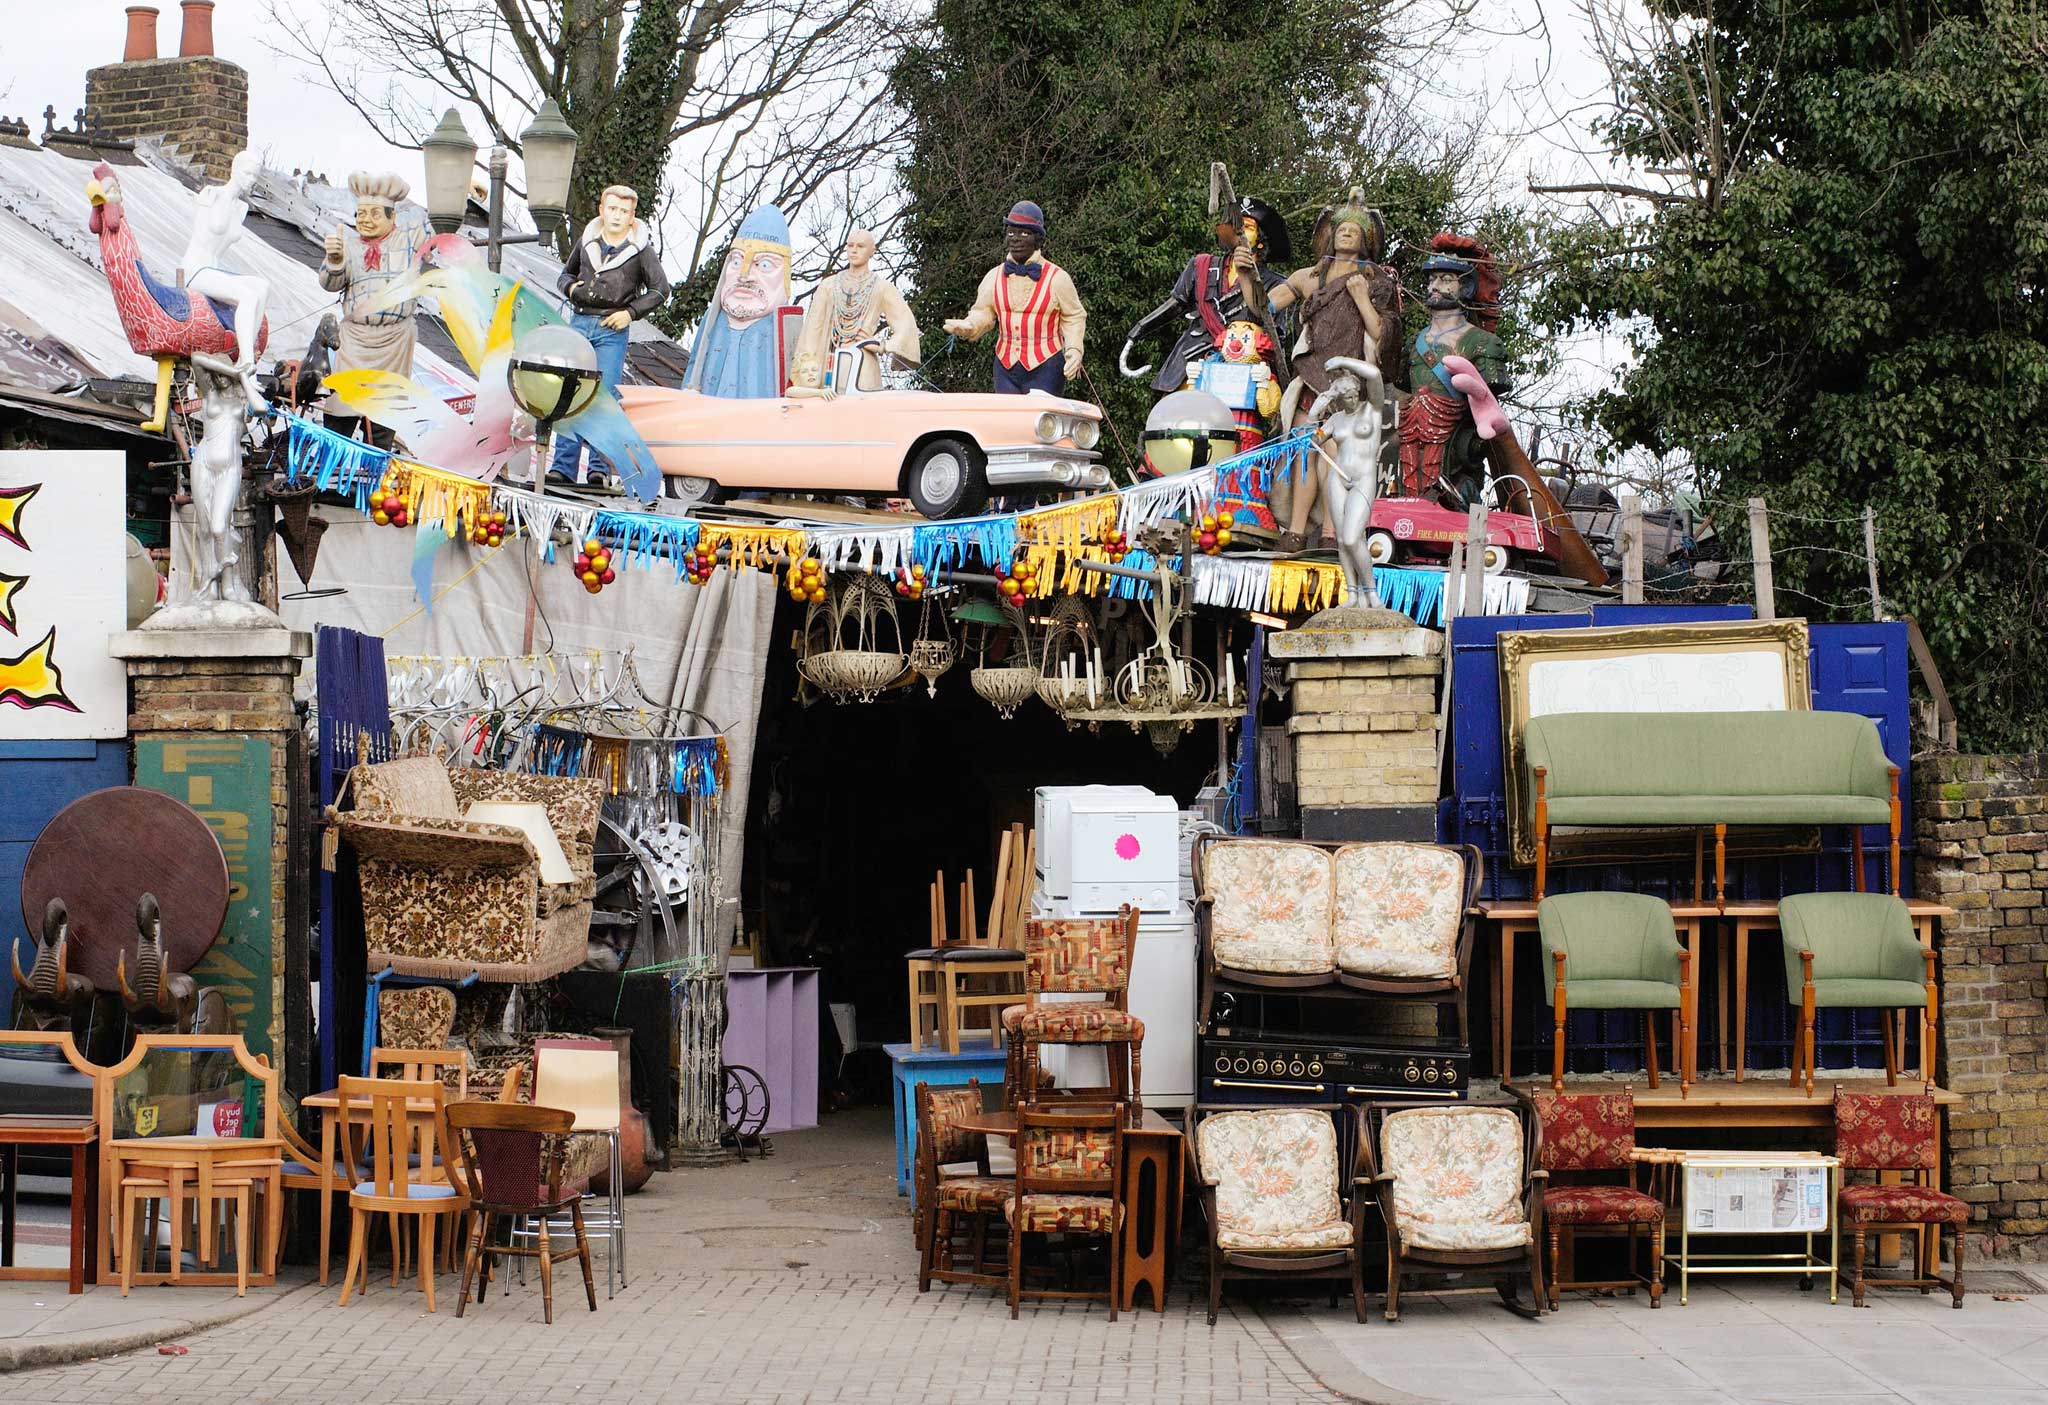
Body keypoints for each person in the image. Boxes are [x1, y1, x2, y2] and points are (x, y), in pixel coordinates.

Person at [1264, 192, 1402, 550]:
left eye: (1356, 231)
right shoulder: (1311, 276)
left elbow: (1382, 334)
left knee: (1337, 458)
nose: (1347, 234)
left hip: (1348, 382)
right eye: (1342, 228)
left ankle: (1330, 533)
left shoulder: (1374, 280)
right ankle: (1295, 531)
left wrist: (1359, 296)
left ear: (1366, 241)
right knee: (1303, 453)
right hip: (1312, 375)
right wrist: (1249, 273)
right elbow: (1265, 304)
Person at [551, 184, 672, 486]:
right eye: (612, 209)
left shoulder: (640, 250)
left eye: (624, 211)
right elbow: (565, 274)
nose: (617, 216)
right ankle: (563, 466)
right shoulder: (587, 240)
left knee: (603, 397)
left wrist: (629, 312)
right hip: (579, 323)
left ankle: (598, 468)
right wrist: (571, 288)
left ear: (632, 217)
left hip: (610, 329)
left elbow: (660, 289)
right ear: (601, 210)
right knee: (569, 393)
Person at [1119, 195, 1291, 405]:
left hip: (1240, 371)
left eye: (1248, 227)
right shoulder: (1202, 265)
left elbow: (1276, 339)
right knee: (1169, 418)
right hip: (1192, 358)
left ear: (1261, 241)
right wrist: (1139, 330)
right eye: (1236, 226)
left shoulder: (1276, 284)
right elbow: (1175, 305)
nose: (1240, 232)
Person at [319, 171, 428, 450]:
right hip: (354, 342)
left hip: (394, 343)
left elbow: (443, 223)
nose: (365, 220)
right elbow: (330, 284)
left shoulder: (409, 239)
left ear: (392, 217)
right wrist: (334, 259)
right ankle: (331, 480)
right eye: (360, 214)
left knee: (382, 420)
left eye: (374, 214)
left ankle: (374, 482)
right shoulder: (349, 244)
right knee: (340, 413)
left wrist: (463, 194)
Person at [1397, 233, 1509, 505]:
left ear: (1466, 288)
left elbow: (1489, 403)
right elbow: (1401, 390)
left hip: (1459, 458)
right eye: (1432, 279)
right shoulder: (1414, 344)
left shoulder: (1484, 343)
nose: (1435, 285)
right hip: (1409, 450)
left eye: (1446, 280)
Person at [942, 200, 1085, 394]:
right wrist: (971, 325)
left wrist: (1074, 349)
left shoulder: (1057, 278)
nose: (1015, 239)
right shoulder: (994, 276)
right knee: (1008, 420)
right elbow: (983, 311)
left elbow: (1074, 316)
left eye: (1024, 233)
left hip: (1045, 365)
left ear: (1037, 238)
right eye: (1011, 233)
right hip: (1005, 365)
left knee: (1039, 420)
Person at [179, 149, 271, 412]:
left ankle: (246, 360)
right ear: (233, 169)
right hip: (196, 270)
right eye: (246, 172)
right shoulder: (211, 195)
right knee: (248, 296)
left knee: (262, 287)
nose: (250, 179)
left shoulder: (241, 208)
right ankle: (246, 364)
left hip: (214, 269)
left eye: (255, 175)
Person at [792, 227, 920, 394]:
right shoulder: (828, 285)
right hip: (829, 360)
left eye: (860, 246)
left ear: (872, 251)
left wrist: (882, 346)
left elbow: (906, 324)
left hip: (863, 362)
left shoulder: (882, 287)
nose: (854, 250)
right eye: (850, 245)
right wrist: (806, 366)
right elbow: (812, 329)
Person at [684, 203, 791, 403]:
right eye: (737, 261)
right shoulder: (713, 318)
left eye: (764, 265)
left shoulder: (785, 325)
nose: (745, 276)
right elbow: (694, 365)